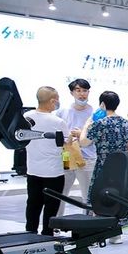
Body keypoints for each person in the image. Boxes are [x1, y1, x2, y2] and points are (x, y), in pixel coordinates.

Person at [24, 86, 67, 236]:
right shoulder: (58, 121)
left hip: (33, 169)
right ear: (53, 101)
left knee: (33, 203)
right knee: (51, 206)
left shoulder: (26, 117)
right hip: (53, 171)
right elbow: (66, 143)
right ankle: (47, 235)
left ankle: (30, 233)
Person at [80, 90, 128, 204]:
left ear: (102, 104)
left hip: (103, 167)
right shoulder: (127, 123)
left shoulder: (99, 123)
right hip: (122, 168)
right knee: (119, 200)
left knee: (101, 200)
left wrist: (86, 126)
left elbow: (84, 143)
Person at [56, 78, 96, 215]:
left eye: (85, 90)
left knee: (88, 195)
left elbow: (99, 135)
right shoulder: (62, 112)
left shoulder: (94, 113)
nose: (82, 94)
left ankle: (89, 222)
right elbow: (57, 134)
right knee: (61, 192)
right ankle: (57, 222)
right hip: (67, 155)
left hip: (88, 158)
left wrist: (82, 134)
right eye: (78, 90)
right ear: (72, 93)